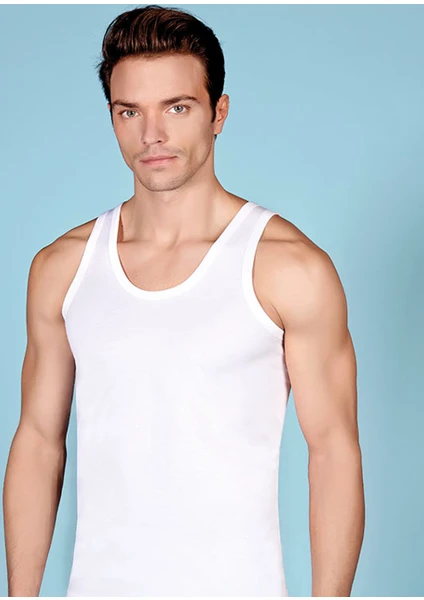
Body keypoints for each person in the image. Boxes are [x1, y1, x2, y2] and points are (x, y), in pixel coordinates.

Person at [3, 4, 365, 597]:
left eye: (177, 107)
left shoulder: (288, 268)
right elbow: (39, 441)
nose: (152, 134)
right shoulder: (62, 268)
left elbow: (333, 453)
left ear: (218, 113)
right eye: (130, 111)